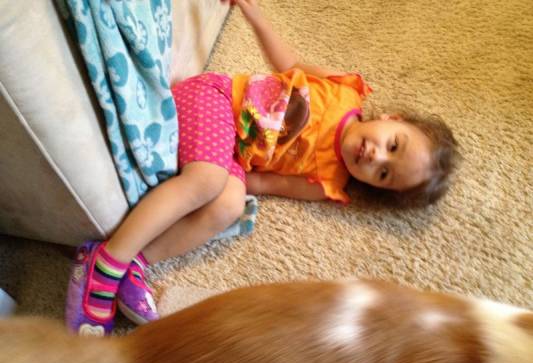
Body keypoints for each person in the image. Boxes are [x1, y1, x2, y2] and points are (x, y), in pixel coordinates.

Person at [66, 0, 458, 336]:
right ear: (391, 118)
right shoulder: (346, 92)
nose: (377, 157)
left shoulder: (328, 183)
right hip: (218, 98)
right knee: (208, 180)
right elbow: (289, 64)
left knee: (228, 205)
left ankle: (137, 263)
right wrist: (253, 13)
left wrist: (231, 185)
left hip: (232, 155)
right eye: (393, 145)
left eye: (384, 174)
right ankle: (106, 263)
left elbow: (266, 183)